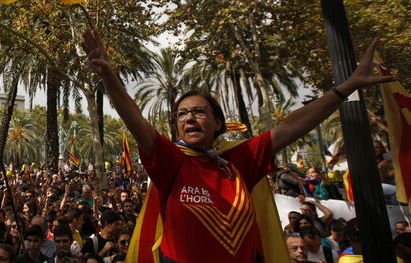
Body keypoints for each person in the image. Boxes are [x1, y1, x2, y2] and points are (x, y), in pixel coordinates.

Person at [81, 27, 394, 262]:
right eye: (181, 114)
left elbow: (294, 125)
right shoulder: (170, 160)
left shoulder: (239, 161)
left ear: (218, 122)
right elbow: (136, 120)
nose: (189, 118)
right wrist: (109, 74)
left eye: (199, 111)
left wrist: (347, 87)